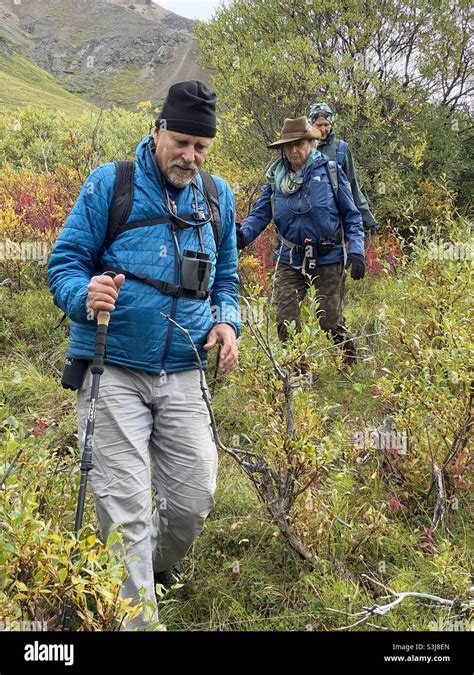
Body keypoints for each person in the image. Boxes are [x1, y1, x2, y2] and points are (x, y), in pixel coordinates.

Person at [48, 80, 240, 630]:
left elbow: (226, 279)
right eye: (181, 142)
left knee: (193, 500)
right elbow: (64, 262)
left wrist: (228, 322)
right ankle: (138, 618)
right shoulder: (112, 184)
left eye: (201, 147)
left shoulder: (216, 196)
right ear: (157, 130)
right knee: (127, 512)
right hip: (113, 369)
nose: (190, 156)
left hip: (182, 369)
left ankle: (144, 574)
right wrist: (83, 295)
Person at [237, 117, 364, 362]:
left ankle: (350, 360)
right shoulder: (276, 179)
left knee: (329, 320)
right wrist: (242, 235)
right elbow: (261, 213)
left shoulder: (330, 173)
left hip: (328, 256)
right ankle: (297, 378)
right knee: (286, 320)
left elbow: (352, 216)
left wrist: (357, 251)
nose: (294, 150)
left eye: (300, 144)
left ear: (311, 144)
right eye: (289, 145)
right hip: (290, 259)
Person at [308, 103, 377, 232]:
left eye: (326, 125)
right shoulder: (302, 148)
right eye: (319, 125)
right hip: (307, 218)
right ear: (311, 124)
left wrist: (367, 218)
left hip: (335, 220)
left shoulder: (341, 149)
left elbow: (352, 185)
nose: (323, 129)